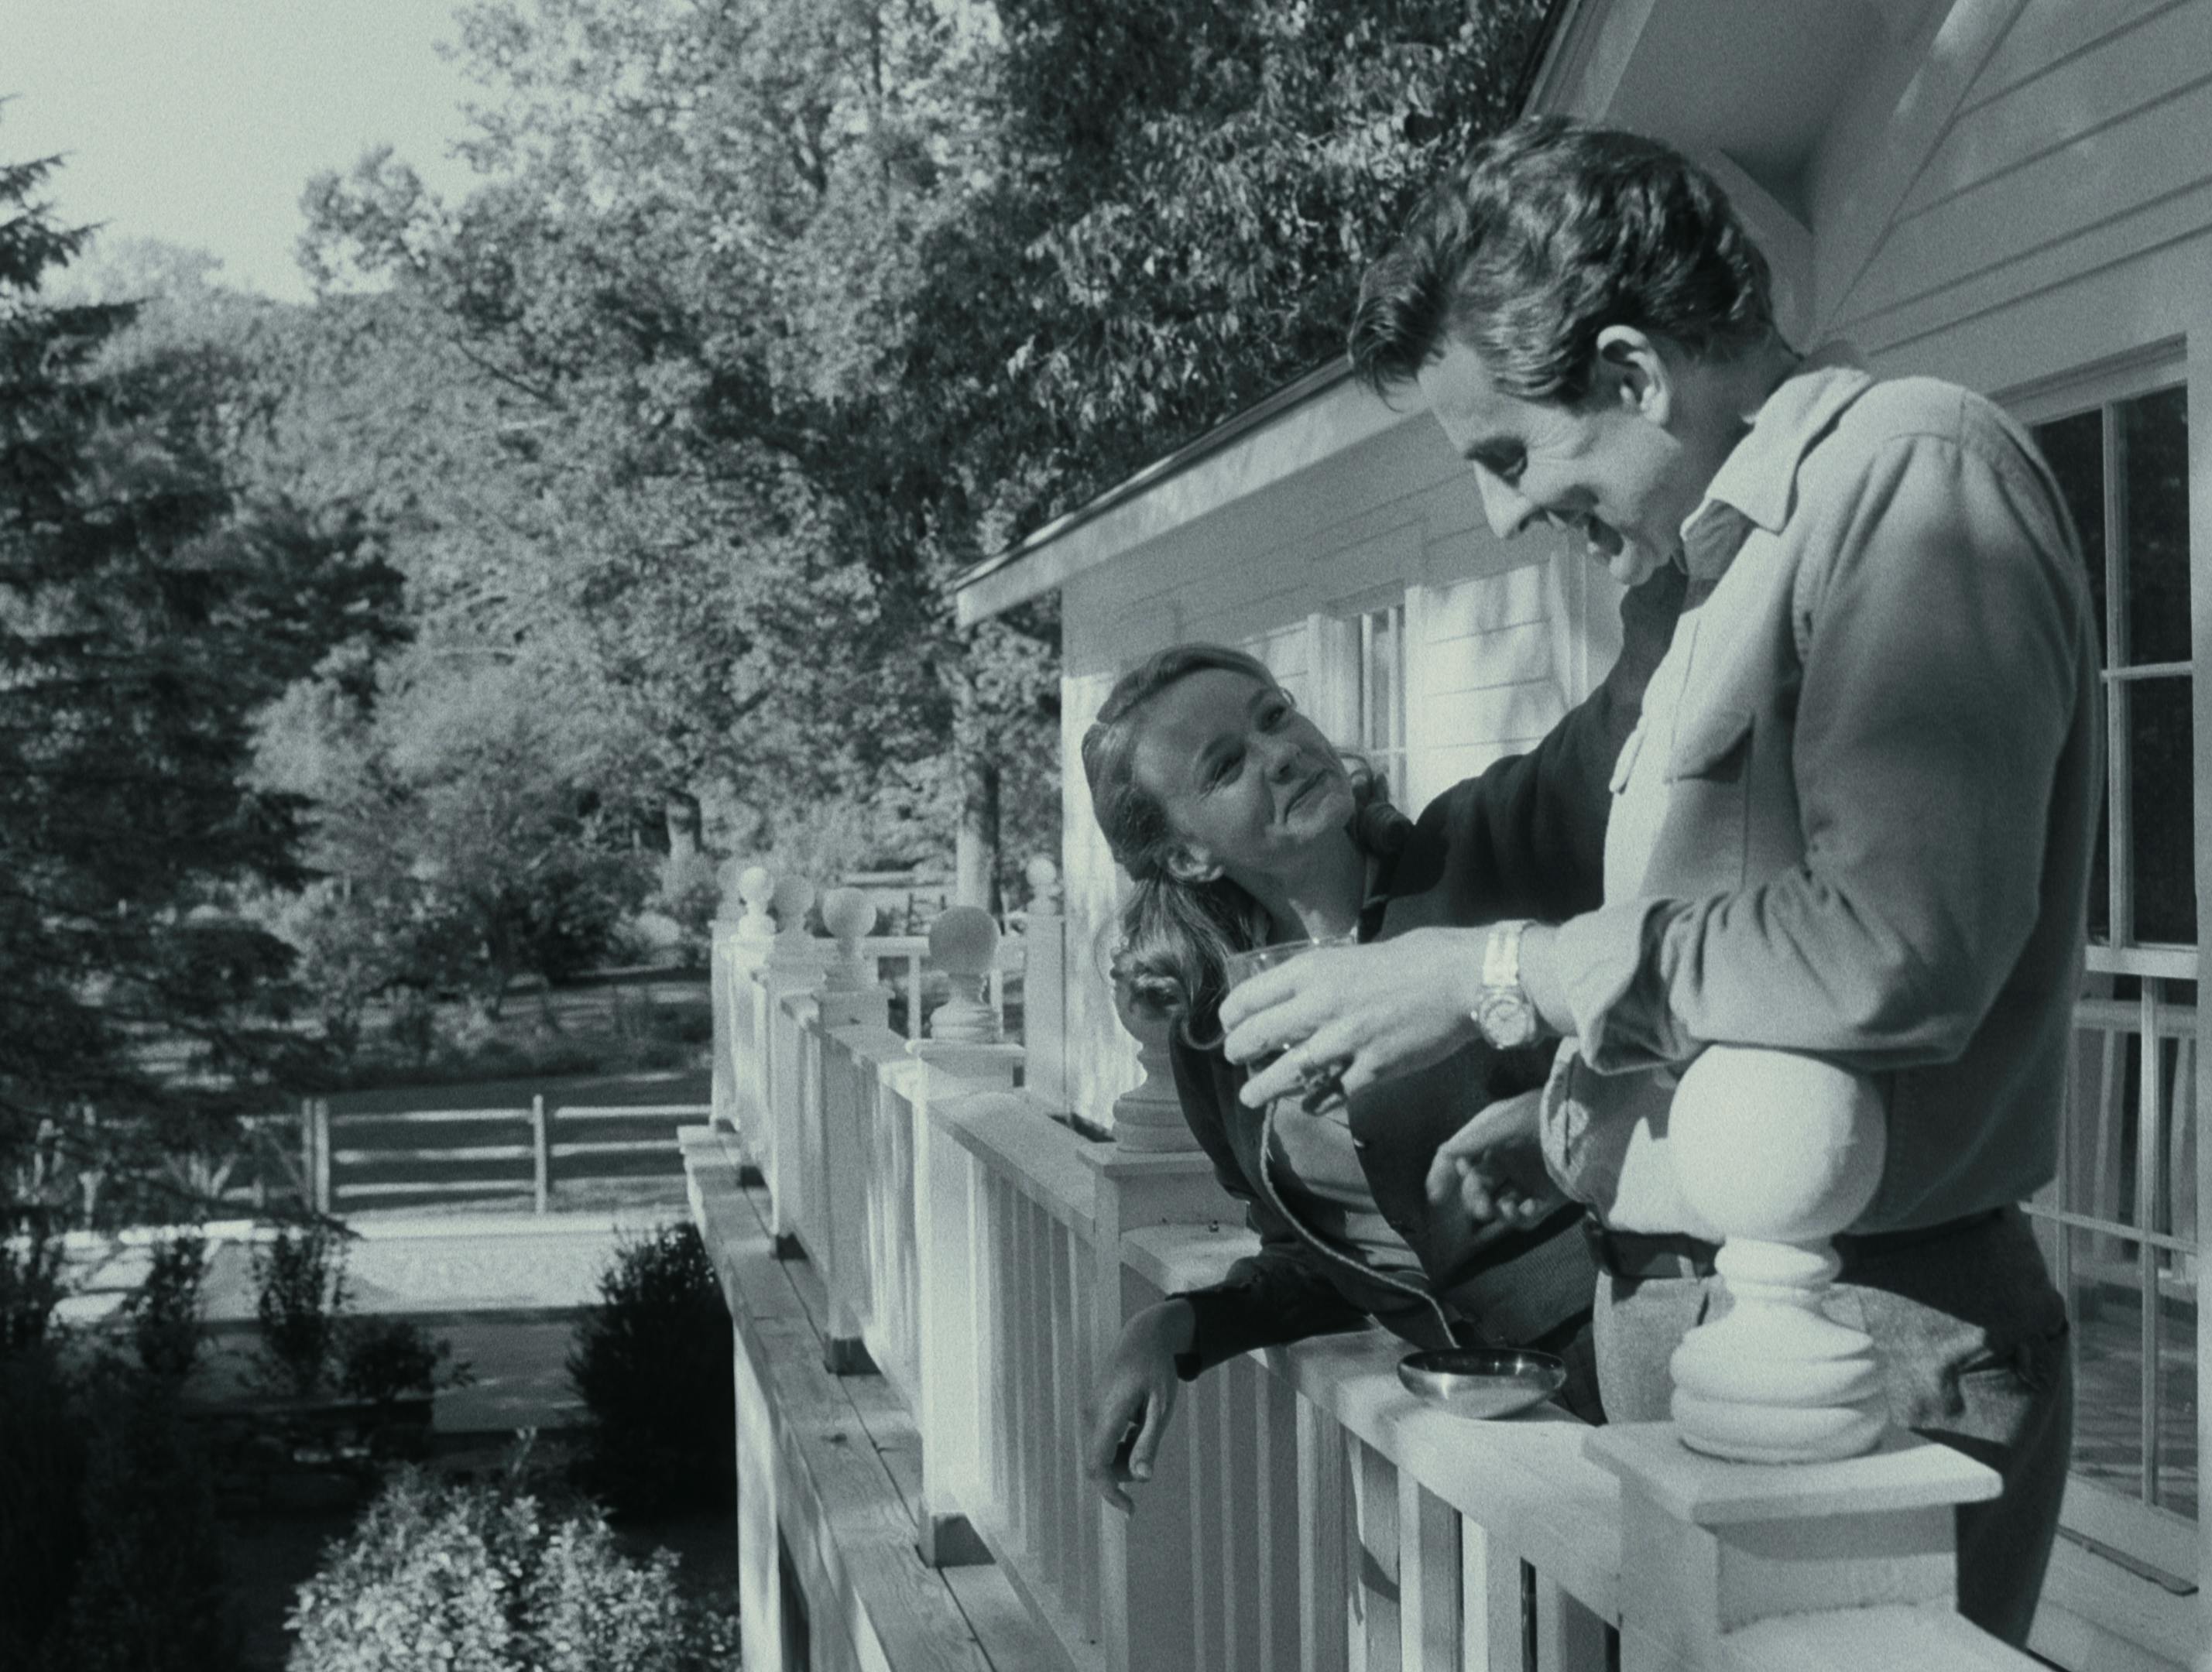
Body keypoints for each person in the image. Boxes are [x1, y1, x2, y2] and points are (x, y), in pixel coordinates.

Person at [1218, 117, 2098, 1647]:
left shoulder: (1910, 478)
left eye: (1505, 455)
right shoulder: (1705, 581)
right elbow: (1749, 964)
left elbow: (1899, 947)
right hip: (1716, 1333)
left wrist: (1496, 974)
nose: (1499, 514)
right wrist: (1594, 1119)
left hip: (1866, 1344)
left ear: (1632, 373)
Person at [1079, 570, 1681, 1512]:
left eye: (1275, 715)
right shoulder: (1218, 1042)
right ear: (1188, 855)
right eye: (1226, 765)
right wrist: (1179, 1327)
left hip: (1651, 1373)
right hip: (1484, 1458)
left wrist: (1678, 523)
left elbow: (1632, 703)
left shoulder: (1480, 847)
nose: (1279, 752)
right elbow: (1312, 1259)